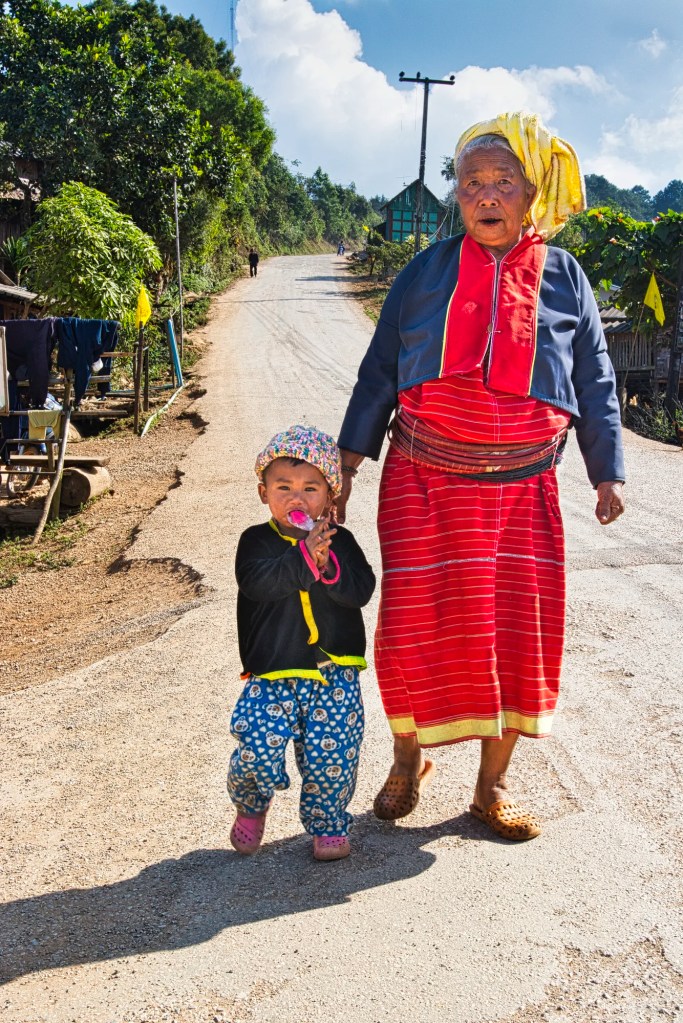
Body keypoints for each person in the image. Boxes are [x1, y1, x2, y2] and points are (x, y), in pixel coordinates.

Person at [336, 112, 625, 841]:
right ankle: (408, 760)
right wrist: (348, 459)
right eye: (471, 183)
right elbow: (380, 366)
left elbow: (594, 375)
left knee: (516, 637)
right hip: (424, 484)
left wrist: (606, 471)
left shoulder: (565, 276)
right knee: (413, 630)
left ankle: (490, 787)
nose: (486, 195)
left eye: (502, 182)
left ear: (531, 194)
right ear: (457, 195)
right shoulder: (423, 272)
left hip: (523, 493)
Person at [228, 424, 376, 861]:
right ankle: (251, 803)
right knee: (258, 744)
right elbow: (257, 584)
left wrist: (327, 565)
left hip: (335, 674)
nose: (297, 498)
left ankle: (328, 824)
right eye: (284, 487)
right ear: (264, 493)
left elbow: (361, 590)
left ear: (330, 498)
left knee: (334, 756)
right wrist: (302, 557)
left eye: (311, 489)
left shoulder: (342, 542)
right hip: (274, 670)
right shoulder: (255, 542)